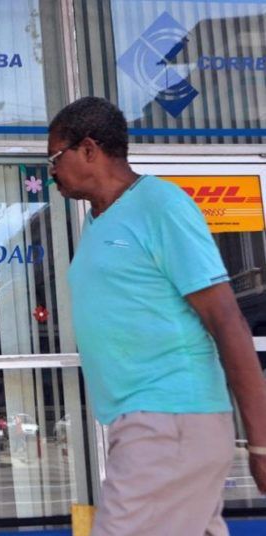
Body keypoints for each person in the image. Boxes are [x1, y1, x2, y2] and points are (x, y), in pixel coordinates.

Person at [47, 96, 266, 535]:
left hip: (169, 422)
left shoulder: (161, 205)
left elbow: (227, 322)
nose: (50, 171)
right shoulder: (98, 221)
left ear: (89, 149)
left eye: (55, 157)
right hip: (149, 423)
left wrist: (261, 443)